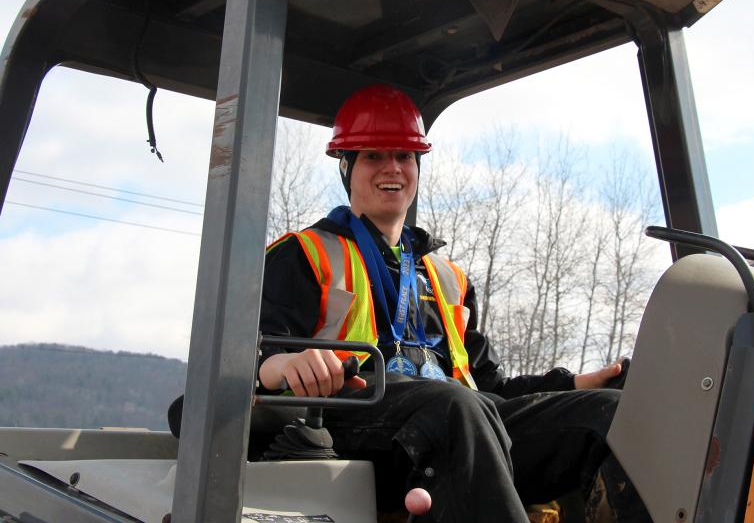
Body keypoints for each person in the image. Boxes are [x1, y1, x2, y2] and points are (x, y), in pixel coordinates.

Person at [257, 84, 650, 522]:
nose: (393, 168)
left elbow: (487, 388)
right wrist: (287, 365)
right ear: (346, 166)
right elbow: (260, 357)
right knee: (456, 408)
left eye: (405, 156)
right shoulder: (303, 254)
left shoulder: (448, 279)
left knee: (611, 415)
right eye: (374, 155)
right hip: (356, 425)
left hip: (462, 426)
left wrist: (573, 385)